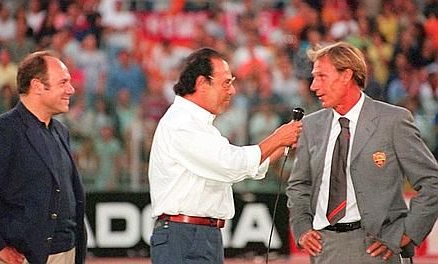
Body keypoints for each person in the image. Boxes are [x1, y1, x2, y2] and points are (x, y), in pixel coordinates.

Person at [286, 42, 438, 263]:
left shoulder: (393, 121)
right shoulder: (311, 125)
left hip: (378, 247)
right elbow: (299, 185)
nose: (313, 86)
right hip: (325, 248)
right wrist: (302, 228)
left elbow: (432, 181)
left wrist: (406, 234)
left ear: (347, 75)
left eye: (321, 77)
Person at [148, 48, 302, 264]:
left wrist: (284, 145)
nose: (232, 91)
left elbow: (234, 168)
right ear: (202, 83)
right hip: (184, 235)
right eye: (226, 83)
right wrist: (277, 138)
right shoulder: (182, 123)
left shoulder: (198, 124)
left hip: (198, 234)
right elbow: (231, 164)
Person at [0, 51, 87, 264]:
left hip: (67, 252)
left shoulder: (61, 131)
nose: (71, 89)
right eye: (63, 82)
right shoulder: (4, 130)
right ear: (38, 86)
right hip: (25, 257)